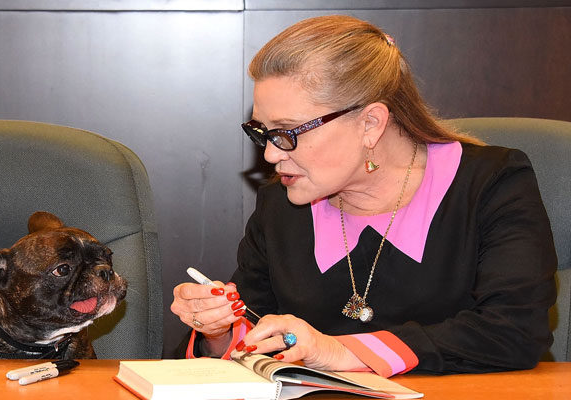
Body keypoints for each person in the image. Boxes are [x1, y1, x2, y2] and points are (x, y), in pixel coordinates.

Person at [170, 15, 557, 376]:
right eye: (262, 133)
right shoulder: (280, 205)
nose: (270, 154)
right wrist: (218, 331)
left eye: (287, 133)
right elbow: (259, 337)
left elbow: (515, 332)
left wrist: (342, 351)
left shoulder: (490, 183)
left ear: (370, 123)